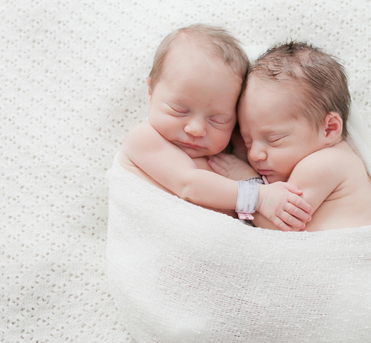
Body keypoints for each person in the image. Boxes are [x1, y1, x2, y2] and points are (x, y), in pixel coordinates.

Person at [118, 25, 313, 231]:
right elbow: (189, 185)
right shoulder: (144, 138)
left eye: (217, 120)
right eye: (180, 110)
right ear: (150, 92)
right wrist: (260, 197)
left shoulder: (231, 151)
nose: (196, 129)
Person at [209, 41, 371, 231]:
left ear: (329, 129)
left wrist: (248, 182)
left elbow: (278, 225)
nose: (254, 155)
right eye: (248, 141)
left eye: (273, 139)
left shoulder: (324, 163)